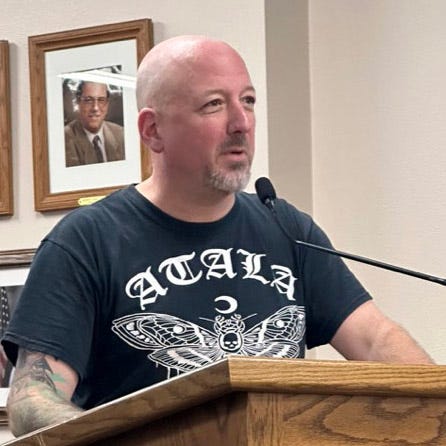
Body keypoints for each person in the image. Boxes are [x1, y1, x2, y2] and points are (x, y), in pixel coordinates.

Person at [2, 35, 433, 437]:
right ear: (152, 130)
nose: (241, 122)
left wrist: (437, 410)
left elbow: (376, 341)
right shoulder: (86, 242)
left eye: (248, 101)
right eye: (213, 105)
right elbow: (32, 398)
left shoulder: (286, 228)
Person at [64, 81, 125, 167]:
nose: (95, 108)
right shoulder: (64, 139)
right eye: (88, 100)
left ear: (107, 104)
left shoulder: (121, 134)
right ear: (78, 102)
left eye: (101, 100)